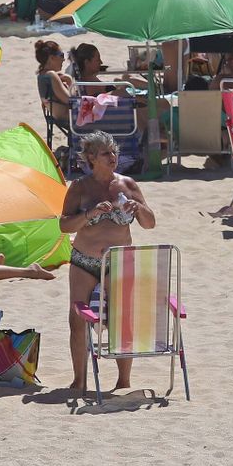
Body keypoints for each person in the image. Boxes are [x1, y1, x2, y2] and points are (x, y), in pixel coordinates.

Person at [59, 131, 156, 394]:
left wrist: (139, 209)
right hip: (84, 261)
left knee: (121, 320)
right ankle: (80, 380)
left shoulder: (128, 185)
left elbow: (150, 224)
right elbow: (64, 225)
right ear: (91, 158)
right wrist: (89, 214)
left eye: (114, 152)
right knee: (77, 320)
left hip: (119, 262)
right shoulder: (80, 187)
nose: (113, 157)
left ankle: (123, 380)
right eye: (106, 153)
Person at [36, 40, 74, 131]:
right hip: (70, 118)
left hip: (58, 117)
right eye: (61, 55)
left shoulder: (42, 76)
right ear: (52, 58)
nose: (63, 59)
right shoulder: (51, 75)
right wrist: (69, 81)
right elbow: (71, 101)